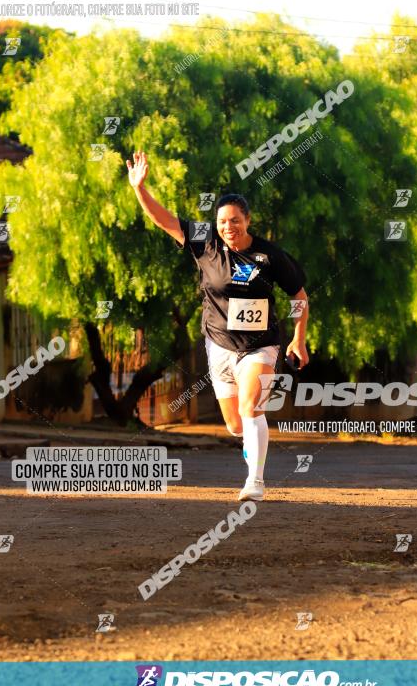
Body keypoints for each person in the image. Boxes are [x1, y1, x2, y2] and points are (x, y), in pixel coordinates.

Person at [126, 150, 309, 501]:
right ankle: (252, 453)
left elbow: (299, 295)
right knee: (235, 424)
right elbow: (166, 221)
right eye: (223, 221)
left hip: (261, 346)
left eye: (236, 220)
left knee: (250, 407)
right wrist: (140, 189)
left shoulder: (270, 256)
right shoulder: (205, 242)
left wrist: (298, 340)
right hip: (219, 345)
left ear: (248, 220)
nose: (229, 227)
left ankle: (255, 482)